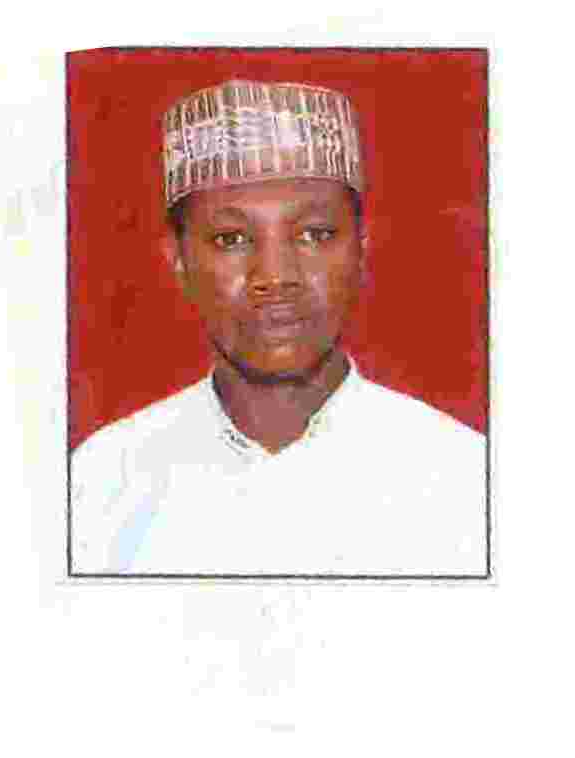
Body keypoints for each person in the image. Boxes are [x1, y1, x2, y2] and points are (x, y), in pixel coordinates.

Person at [71, 79, 486, 576]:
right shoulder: (101, 481)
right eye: (231, 238)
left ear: (361, 249)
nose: (276, 276)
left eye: (314, 234)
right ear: (178, 260)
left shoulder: (464, 478)